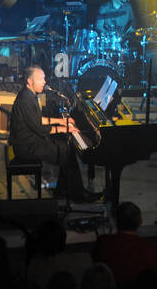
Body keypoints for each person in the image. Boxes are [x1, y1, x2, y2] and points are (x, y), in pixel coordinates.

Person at [8, 65, 98, 203]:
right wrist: (64, 129)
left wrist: (62, 121)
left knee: (65, 148)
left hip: (31, 140)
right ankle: (78, 195)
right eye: (41, 79)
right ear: (29, 81)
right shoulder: (25, 100)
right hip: (26, 147)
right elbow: (40, 128)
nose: (44, 82)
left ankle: (63, 191)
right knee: (67, 151)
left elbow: (38, 119)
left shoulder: (29, 94)